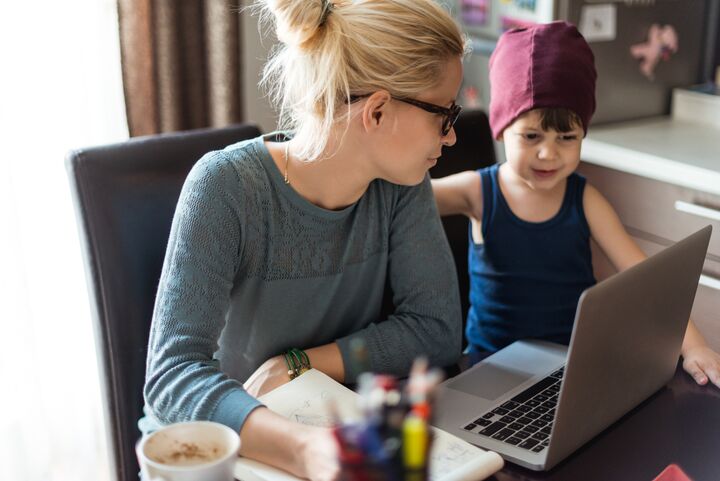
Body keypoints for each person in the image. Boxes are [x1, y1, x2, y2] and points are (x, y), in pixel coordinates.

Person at [141, 1, 467, 480]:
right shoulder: (225, 187)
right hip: (222, 452)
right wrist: (303, 449)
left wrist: (301, 364)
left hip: (332, 433)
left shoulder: (402, 185)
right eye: (446, 113)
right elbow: (171, 377)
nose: (453, 136)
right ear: (376, 112)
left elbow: (436, 331)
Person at [432, 21, 720, 387]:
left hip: (569, 370)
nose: (548, 153)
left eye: (567, 137)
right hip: (490, 371)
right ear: (502, 129)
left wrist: (694, 346)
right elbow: (408, 192)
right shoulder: (476, 191)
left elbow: (646, 278)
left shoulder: (584, 199)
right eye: (531, 135)